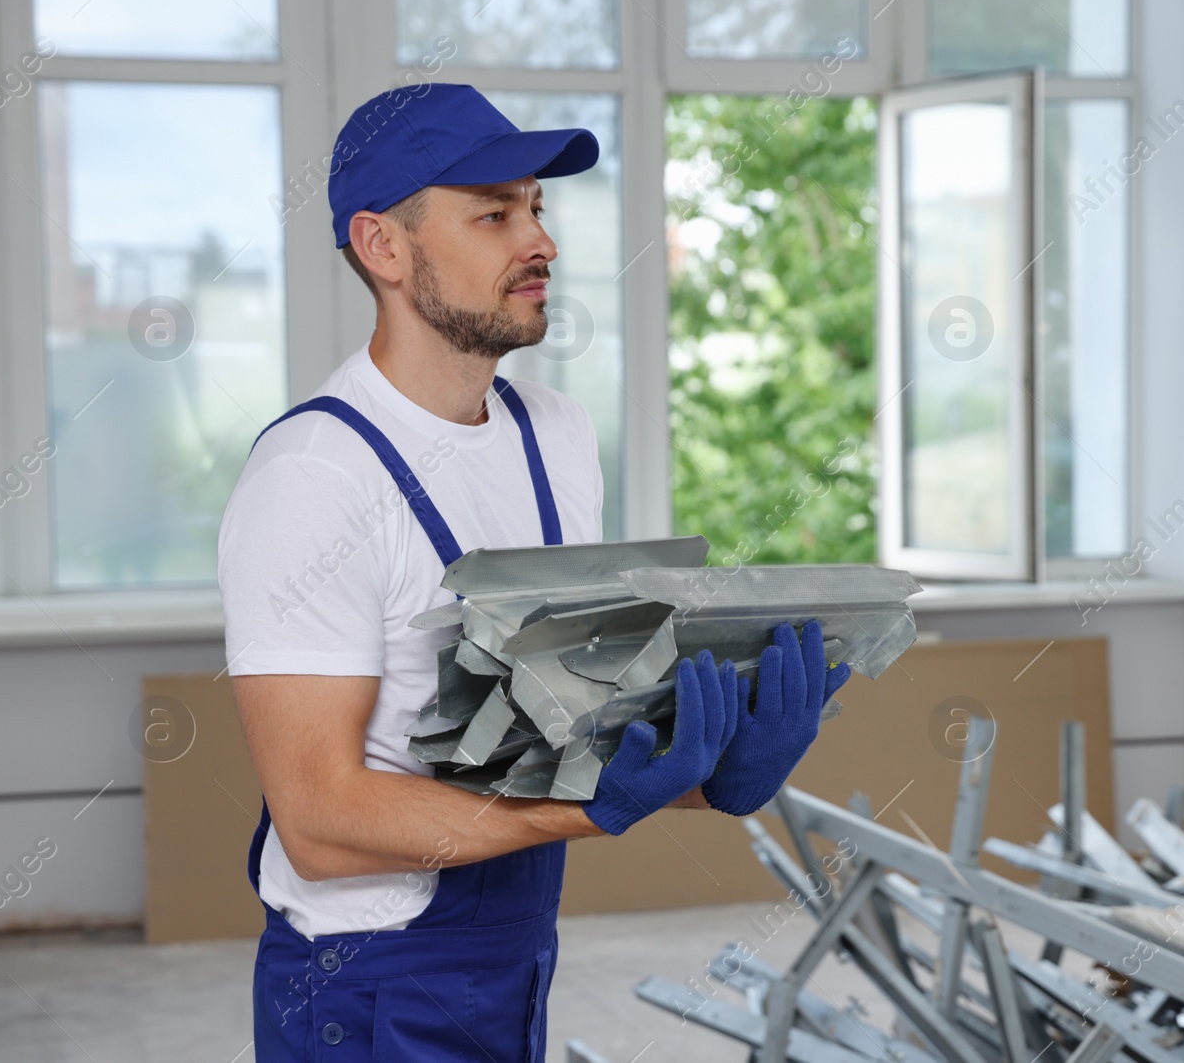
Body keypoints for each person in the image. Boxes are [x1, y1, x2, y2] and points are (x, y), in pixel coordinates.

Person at [216, 84, 850, 1061]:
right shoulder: (313, 476)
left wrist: (713, 772)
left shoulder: (552, 434)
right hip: (365, 980)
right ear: (383, 246)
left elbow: (564, 734)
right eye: (493, 213)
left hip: (515, 951)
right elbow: (320, 822)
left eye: (537, 209)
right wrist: (585, 813)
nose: (540, 241)